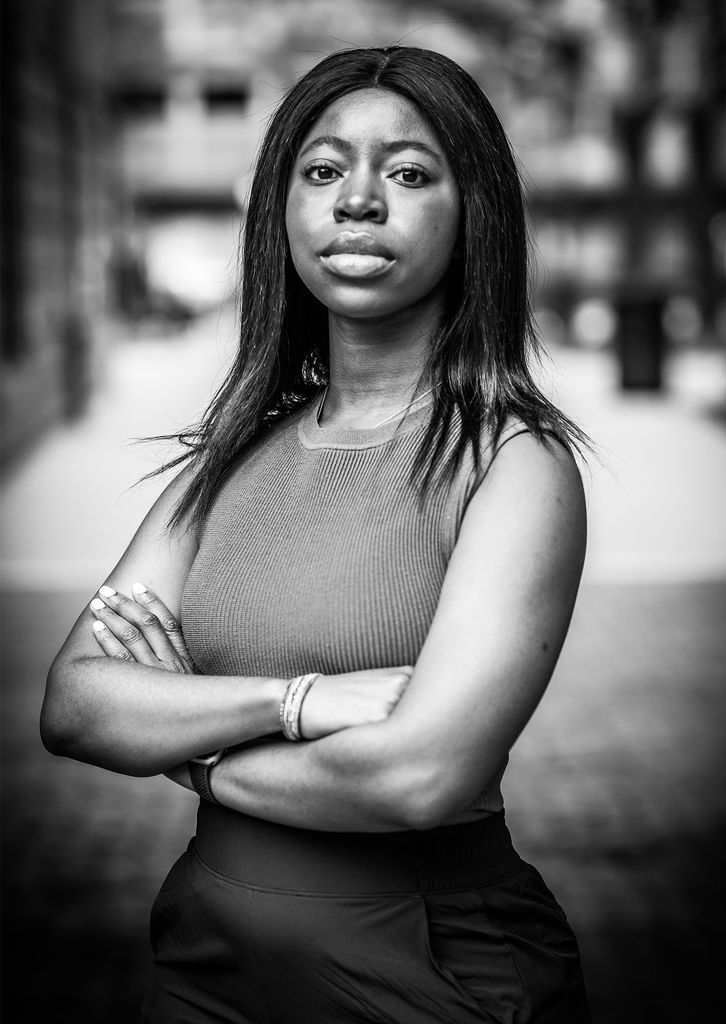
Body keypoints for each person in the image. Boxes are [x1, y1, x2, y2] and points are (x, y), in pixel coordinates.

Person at [42, 45, 592, 1023]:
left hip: (425, 955)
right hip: (208, 957)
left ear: (476, 217)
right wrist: (297, 702)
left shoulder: (516, 462)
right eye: (324, 169)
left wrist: (188, 748)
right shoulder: (230, 456)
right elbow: (79, 703)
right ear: (281, 213)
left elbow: (420, 774)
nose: (359, 201)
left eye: (411, 173)